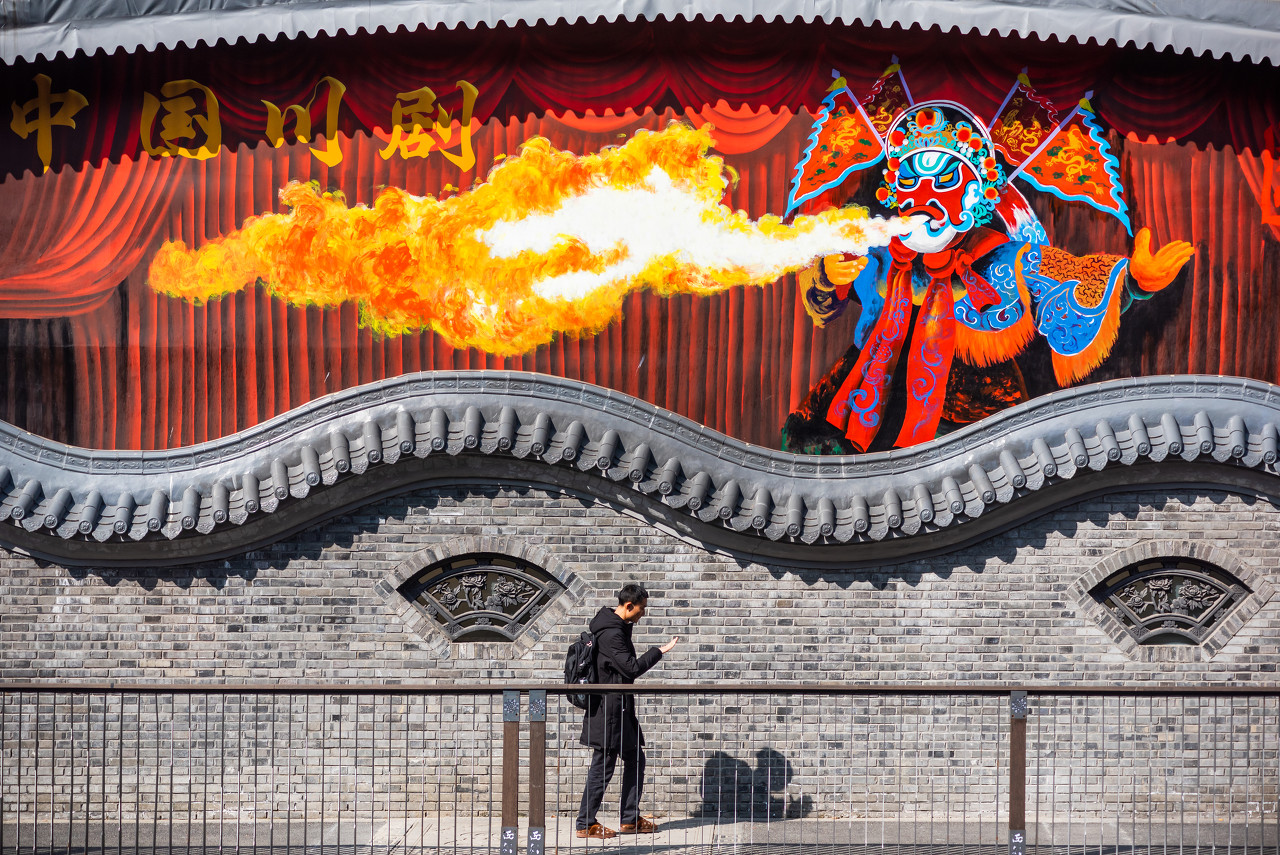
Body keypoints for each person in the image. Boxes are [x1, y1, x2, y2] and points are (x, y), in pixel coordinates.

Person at [575, 583, 679, 839]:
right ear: (629, 605)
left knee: (635, 760)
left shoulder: (617, 628)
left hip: (620, 709)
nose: (643, 613)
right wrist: (658, 651)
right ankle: (585, 823)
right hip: (609, 711)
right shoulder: (612, 634)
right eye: (641, 609)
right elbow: (631, 668)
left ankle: (630, 820)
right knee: (603, 766)